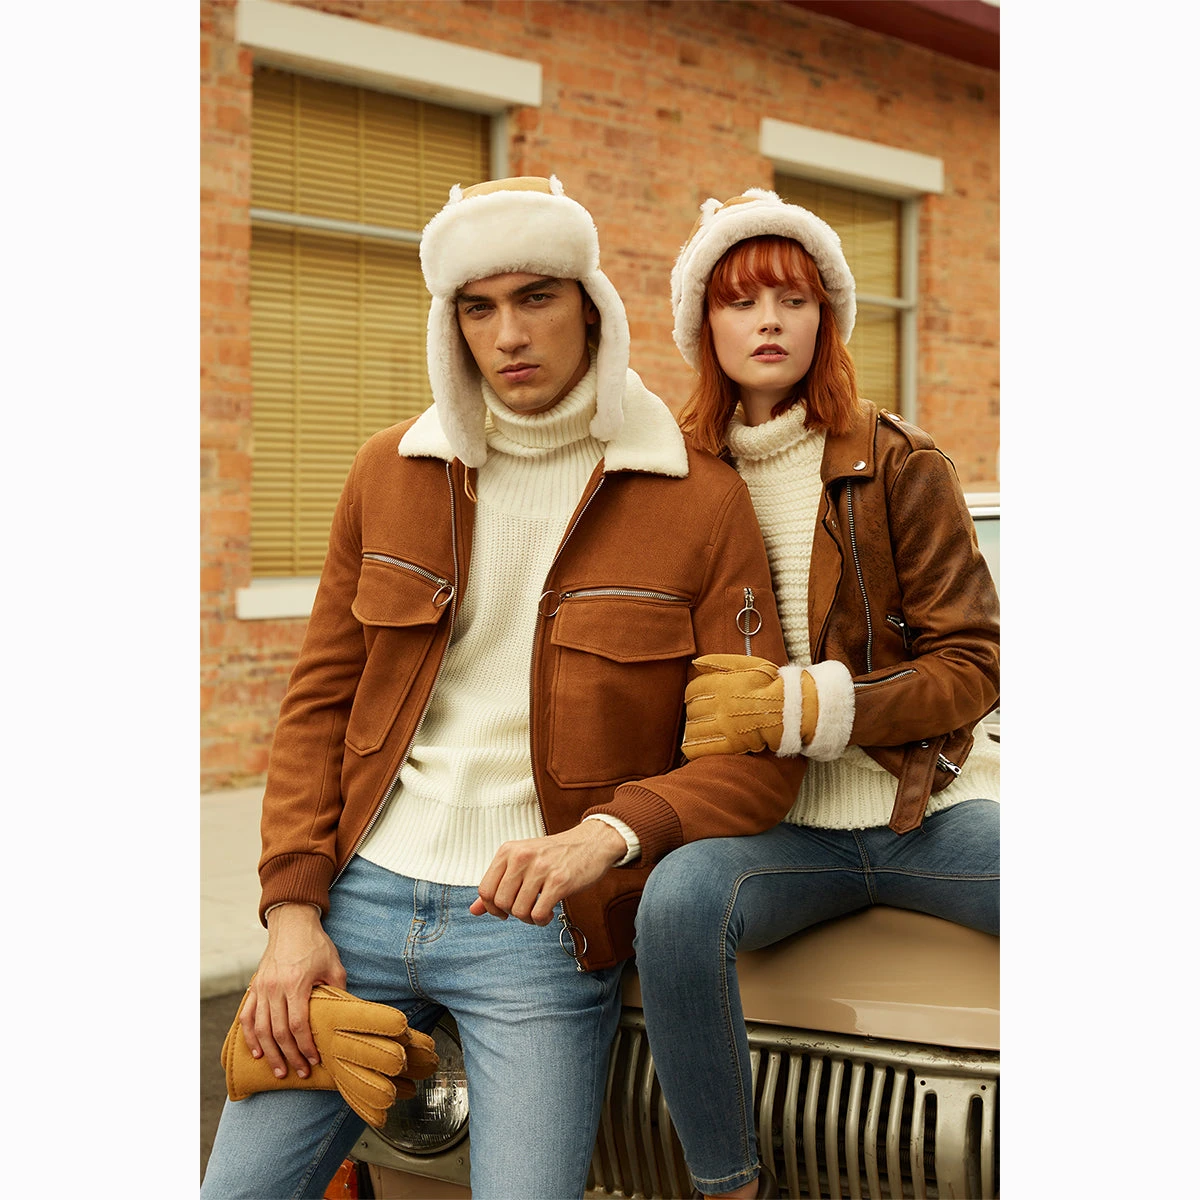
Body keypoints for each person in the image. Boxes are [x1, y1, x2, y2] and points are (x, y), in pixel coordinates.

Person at [200, 176, 805, 1200]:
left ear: (591, 308)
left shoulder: (698, 500)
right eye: (478, 308)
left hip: (541, 931)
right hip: (356, 905)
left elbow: (751, 764)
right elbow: (316, 710)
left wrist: (606, 836)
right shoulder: (387, 472)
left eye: (536, 298)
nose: (509, 334)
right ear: (452, 325)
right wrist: (292, 914)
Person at [632, 189, 1001, 1200]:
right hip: (775, 833)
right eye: (741, 301)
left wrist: (810, 708)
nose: (769, 322)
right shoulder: (675, 480)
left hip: (925, 813)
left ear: (825, 319)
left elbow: (973, 663)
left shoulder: (901, 462)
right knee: (676, 903)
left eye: (793, 300)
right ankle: (730, 1186)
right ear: (703, 324)